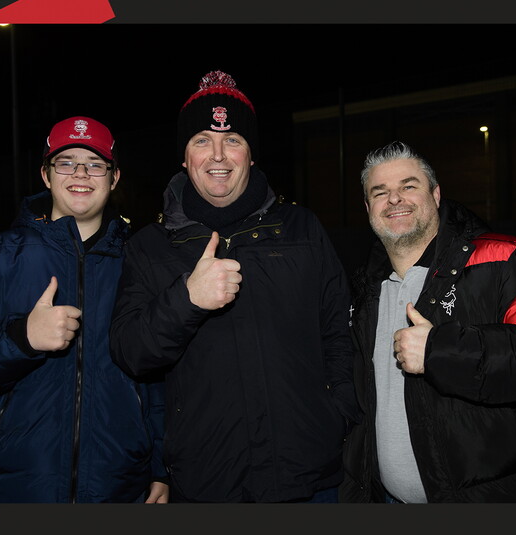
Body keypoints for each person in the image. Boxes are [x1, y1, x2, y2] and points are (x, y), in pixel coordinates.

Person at [109, 70, 360, 503]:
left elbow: (339, 331)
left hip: (309, 475)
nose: (218, 155)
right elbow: (130, 352)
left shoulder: (301, 228)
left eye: (234, 140)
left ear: (252, 155)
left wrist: (337, 414)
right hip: (207, 480)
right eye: (202, 140)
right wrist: (187, 299)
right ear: (184, 158)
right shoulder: (150, 246)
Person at [0, 116, 168, 503]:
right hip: (13, 491)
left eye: (94, 164)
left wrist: (161, 467)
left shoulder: (140, 263)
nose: (80, 174)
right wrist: (20, 338)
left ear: (114, 177)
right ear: (45, 174)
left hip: (119, 488)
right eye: (66, 162)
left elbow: (157, 379)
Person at [340, 141, 516, 503]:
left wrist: (442, 351)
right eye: (381, 192)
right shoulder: (367, 288)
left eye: (409, 186)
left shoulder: (504, 258)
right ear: (368, 208)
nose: (395, 199)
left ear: (436, 194)